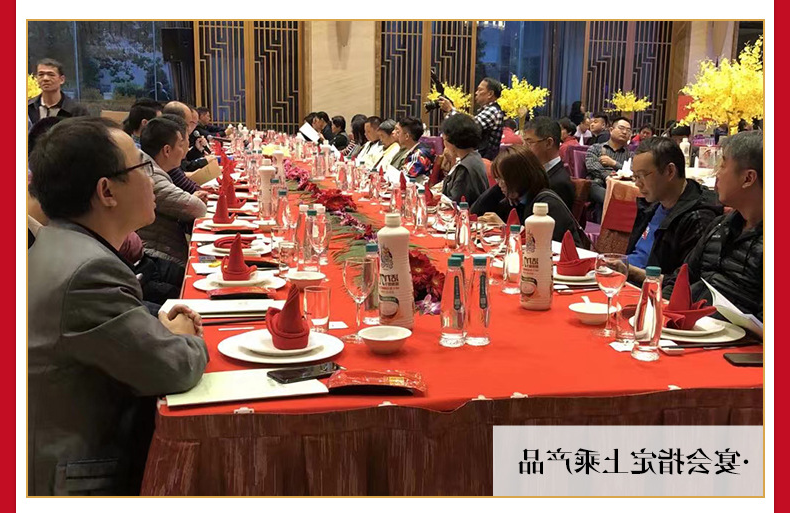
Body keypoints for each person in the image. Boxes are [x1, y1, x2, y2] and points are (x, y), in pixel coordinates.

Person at [27, 117, 208, 495]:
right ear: (106, 191)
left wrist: (155, 326)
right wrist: (185, 336)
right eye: (142, 167)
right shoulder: (88, 272)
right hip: (85, 477)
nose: (154, 178)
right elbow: (175, 367)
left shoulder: (60, 243)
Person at [661, 131, 763, 322]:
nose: (717, 174)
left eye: (722, 165)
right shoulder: (719, 226)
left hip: (735, 338)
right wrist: (660, 316)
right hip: (689, 329)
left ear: (748, 178)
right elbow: (681, 280)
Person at [625, 137, 722, 284]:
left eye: (642, 176)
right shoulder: (655, 204)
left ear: (670, 171)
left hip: (649, 290)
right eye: (635, 176)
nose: (637, 184)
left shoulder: (698, 218)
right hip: (627, 281)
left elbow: (686, 283)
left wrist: (631, 272)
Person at [470, 145, 586, 246]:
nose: (499, 184)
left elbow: (541, 246)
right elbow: (475, 212)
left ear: (519, 178)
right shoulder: (515, 200)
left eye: (502, 179)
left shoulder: (547, 204)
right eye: (497, 179)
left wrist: (504, 229)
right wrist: (503, 186)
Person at [138, 117, 208, 265]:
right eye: (181, 145)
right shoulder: (150, 175)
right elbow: (197, 208)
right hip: (159, 259)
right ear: (167, 150)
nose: (184, 151)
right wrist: (193, 198)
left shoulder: (154, 168)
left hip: (164, 250)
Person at [439, 77, 504, 160]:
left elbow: (469, 127)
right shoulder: (485, 110)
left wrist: (451, 109)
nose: (476, 93)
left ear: (490, 94)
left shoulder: (493, 111)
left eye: (480, 90)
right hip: (479, 158)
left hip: (485, 161)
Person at [522, 116, 575, 210]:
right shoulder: (535, 172)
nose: (524, 148)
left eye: (529, 143)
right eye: (524, 143)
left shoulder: (559, 184)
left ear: (548, 143)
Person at [585, 116, 633, 211]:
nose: (624, 132)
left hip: (621, 188)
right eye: (621, 128)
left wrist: (614, 163)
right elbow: (592, 165)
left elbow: (632, 171)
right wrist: (607, 176)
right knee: (593, 185)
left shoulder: (630, 155)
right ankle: (615, 204)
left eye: (628, 130)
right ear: (611, 130)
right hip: (600, 185)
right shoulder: (596, 148)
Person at [439, 113, 488, 204]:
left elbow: (455, 203)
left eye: (444, 139)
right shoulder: (473, 157)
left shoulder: (465, 168)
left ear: (451, 140)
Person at [28, 58, 80, 124]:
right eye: (41, 74)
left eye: (51, 75)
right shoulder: (28, 108)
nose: (45, 78)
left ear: (62, 79)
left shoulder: (77, 111)